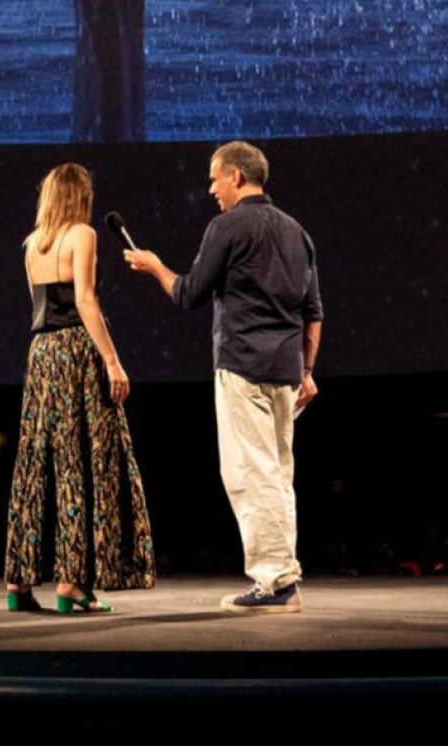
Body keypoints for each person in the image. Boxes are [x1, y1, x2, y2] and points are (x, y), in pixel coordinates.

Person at [125, 141, 321, 614]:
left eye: (214, 178)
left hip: (242, 366)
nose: (210, 187)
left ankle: (274, 583)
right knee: (277, 476)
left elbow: (188, 292)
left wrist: (153, 267)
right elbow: (313, 311)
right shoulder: (298, 232)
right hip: (286, 373)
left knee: (249, 475)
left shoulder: (228, 226)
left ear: (236, 176)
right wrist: (309, 370)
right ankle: (283, 574)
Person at [4, 163, 155, 613]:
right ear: (79, 197)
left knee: (35, 464)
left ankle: (18, 582)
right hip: (75, 351)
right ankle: (71, 584)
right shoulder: (82, 235)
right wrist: (112, 360)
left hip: (41, 354)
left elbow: (40, 305)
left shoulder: (32, 244)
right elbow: (85, 301)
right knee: (83, 462)